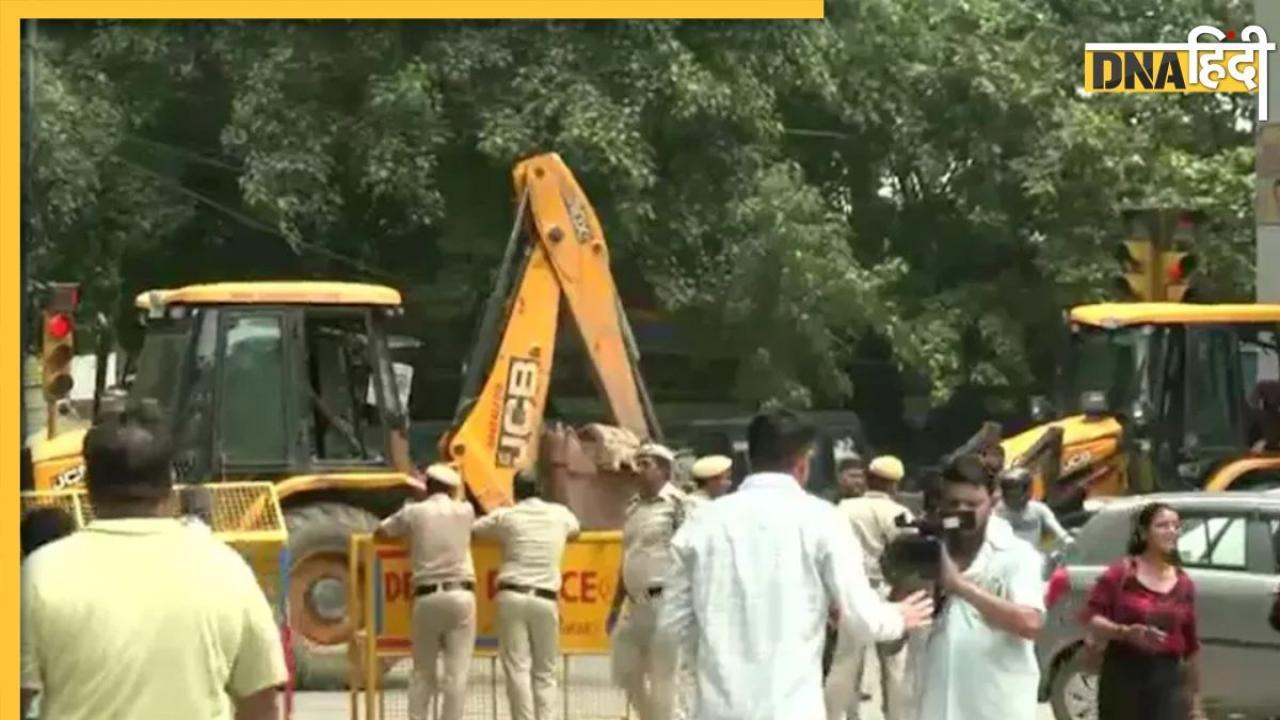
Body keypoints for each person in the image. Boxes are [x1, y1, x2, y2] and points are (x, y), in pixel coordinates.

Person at [656, 408, 934, 720]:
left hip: (717, 710)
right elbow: (860, 618)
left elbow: (670, 627)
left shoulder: (701, 523)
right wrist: (899, 616)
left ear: (749, 460)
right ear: (803, 464)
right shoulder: (822, 520)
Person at [20, 415, 287, 720]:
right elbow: (261, 706)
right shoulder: (227, 568)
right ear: (170, 488)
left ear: (89, 489)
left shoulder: (40, 573)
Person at [916, 454, 1045, 720]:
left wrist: (960, 587)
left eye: (972, 504)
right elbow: (892, 642)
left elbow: (1030, 623)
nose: (961, 511)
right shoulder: (932, 550)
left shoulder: (1017, 555)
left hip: (995, 707)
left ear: (993, 502)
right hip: (937, 706)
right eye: (953, 503)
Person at [472, 468, 580, 720]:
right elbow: (575, 529)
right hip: (545, 599)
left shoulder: (507, 516)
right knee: (545, 672)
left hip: (512, 596)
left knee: (517, 668)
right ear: (541, 490)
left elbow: (476, 529)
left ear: (515, 492)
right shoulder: (560, 514)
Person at [1081, 502, 1205, 720]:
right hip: (1123, 676)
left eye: (1176, 526)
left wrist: (1195, 704)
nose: (1171, 532)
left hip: (1168, 682)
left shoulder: (1184, 583)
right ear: (1144, 532)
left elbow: (1190, 647)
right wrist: (1125, 632)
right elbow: (1092, 618)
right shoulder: (1121, 573)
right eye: (1162, 526)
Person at [375, 463, 477, 720]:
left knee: (422, 673)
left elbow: (381, 530)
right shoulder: (466, 511)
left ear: (426, 487)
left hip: (427, 597)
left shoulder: (413, 512)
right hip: (462, 595)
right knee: (457, 674)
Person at [825, 455, 917, 720]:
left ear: (869, 478)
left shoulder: (841, 509)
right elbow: (911, 556)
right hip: (889, 592)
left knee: (846, 662)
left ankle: (841, 715)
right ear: (895, 485)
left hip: (849, 592)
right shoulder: (899, 513)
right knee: (894, 665)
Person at [607, 442, 690, 720]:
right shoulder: (633, 507)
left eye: (646, 464)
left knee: (664, 682)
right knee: (625, 672)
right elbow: (628, 557)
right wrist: (615, 606)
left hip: (665, 602)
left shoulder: (679, 505)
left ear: (664, 470)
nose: (638, 469)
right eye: (637, 463)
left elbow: (692, 554)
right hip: (634, 604)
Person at [993, 467, 1070, 551]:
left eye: (1017, 494)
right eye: (1009, 494)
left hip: (1035, 558)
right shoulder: (997, 513)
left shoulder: (1039, 509)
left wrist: (1067, 540)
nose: (1013, 499)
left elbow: (1059, 532)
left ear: (1028, 491)